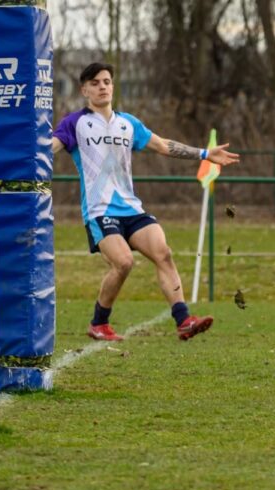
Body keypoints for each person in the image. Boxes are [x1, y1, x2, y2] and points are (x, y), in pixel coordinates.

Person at [52, 62, 239, 342]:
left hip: (131, 207)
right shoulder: (74, 123)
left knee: (163, 253)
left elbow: (163, 145)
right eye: (95, 83)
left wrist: (204, 153)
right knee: (124, 263)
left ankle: (184, 320)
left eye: (106, 81)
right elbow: (49, 148)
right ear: (84, 90)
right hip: (99, 210)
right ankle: (99, 323)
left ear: (113, 86)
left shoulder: (128, 123)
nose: (102, 86)